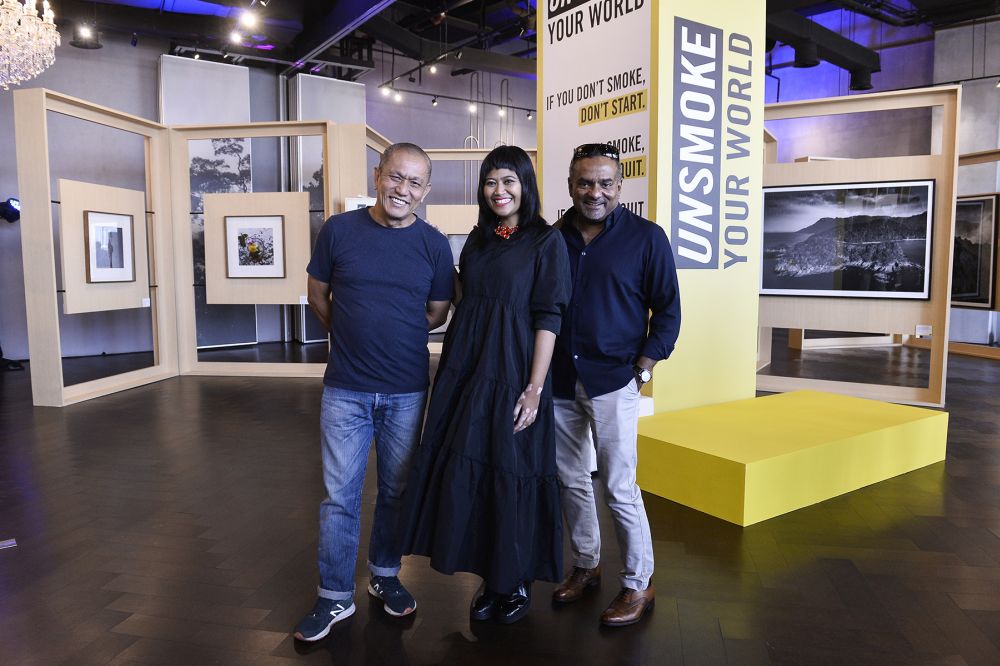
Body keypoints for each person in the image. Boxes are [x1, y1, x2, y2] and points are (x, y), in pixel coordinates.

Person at [401, 145, 571, 624]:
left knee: (510, 468)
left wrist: (535, 388)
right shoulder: (478, 238)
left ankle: (512, 580)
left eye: (509, 181)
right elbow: (465, 294)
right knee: (474, 467)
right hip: (467, 364)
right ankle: (488, 576)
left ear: (525, 186)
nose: (499, 191)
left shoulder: (545, 242)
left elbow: (549, 317)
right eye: (491, 182)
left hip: (514, 369)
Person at [293, 142, 454, 642]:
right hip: (345, 389)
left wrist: (394, 336)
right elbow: (318, 295)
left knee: (395, 491)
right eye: (395, 177)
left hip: (407, 391)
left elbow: (437, 312)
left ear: (425, 191)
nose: (402, 189)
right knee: (339, 497)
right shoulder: (339, 231)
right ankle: (335, 595)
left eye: (414, 183)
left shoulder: (433, 244)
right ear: (377, 174)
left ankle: (385, 575)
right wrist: (348, 334)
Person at [551, 142, 681, 627]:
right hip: (561, 378)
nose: (595, 192)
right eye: (585, 182)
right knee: (570, 481)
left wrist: (643, 370)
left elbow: (668, 311)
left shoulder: (647, 238)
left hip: (614, 382)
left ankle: (638, 582)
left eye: (605, 183)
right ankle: (586, 564)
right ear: (570, 186)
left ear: (620, 186)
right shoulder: (552, 237)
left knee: (620, 487)